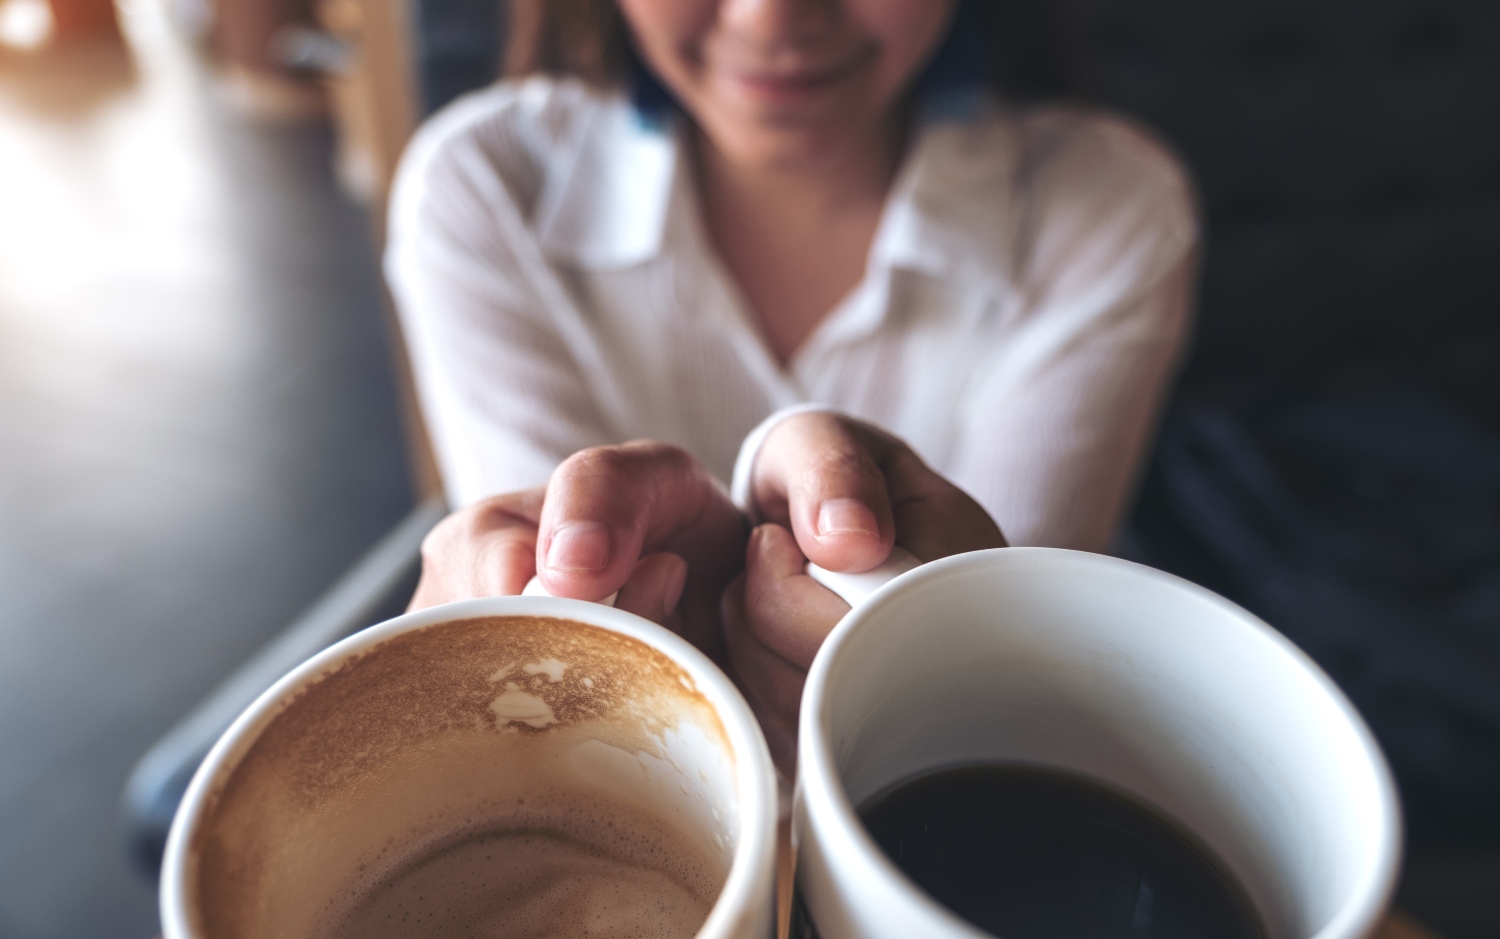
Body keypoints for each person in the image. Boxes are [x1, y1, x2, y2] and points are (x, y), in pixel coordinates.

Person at [386, 0, 1197, 768]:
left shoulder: (1105, 209)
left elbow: (1005, 682)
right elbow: (559, 658)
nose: (767, 17)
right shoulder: (483, 186)